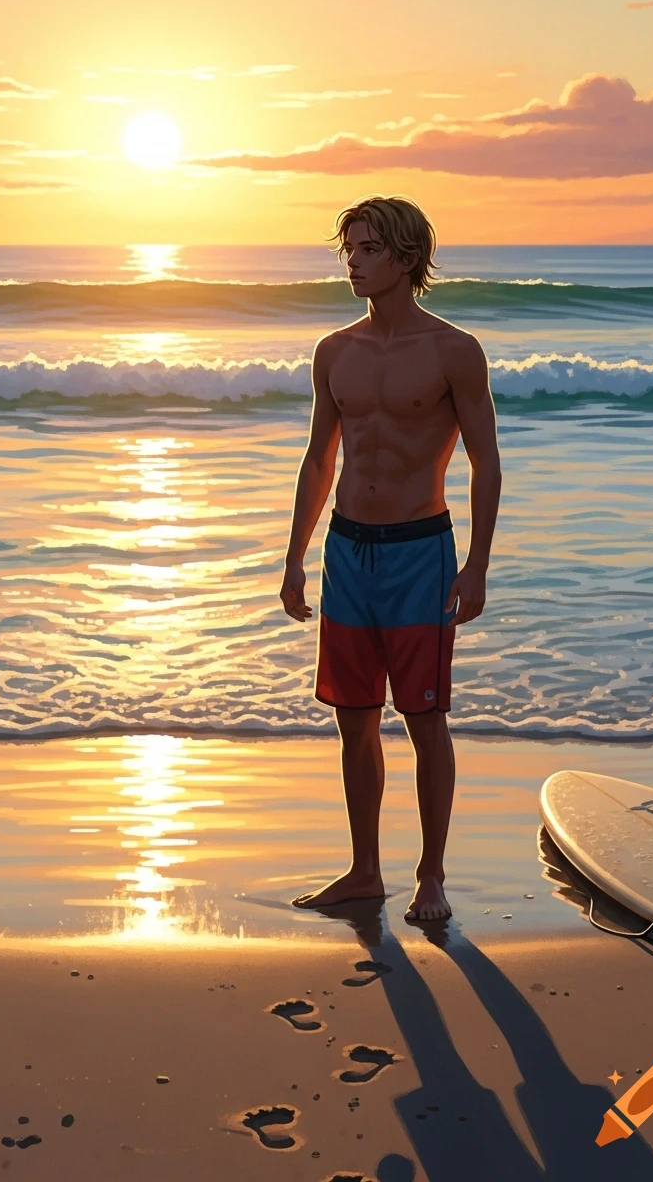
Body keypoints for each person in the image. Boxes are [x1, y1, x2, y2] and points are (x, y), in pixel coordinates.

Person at [279, 195, 502, 922]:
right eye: (349, 249)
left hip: (419, 554)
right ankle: (364, 870)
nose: (353, 262)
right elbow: (319, 459)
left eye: (369, 249)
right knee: (353, 717)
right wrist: (295, 557)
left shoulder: (452, 351)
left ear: (407, 259)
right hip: (349, 551)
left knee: (424, 717)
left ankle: (430, 875)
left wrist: (477, 565)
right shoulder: (334, 352)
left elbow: (486, 463)